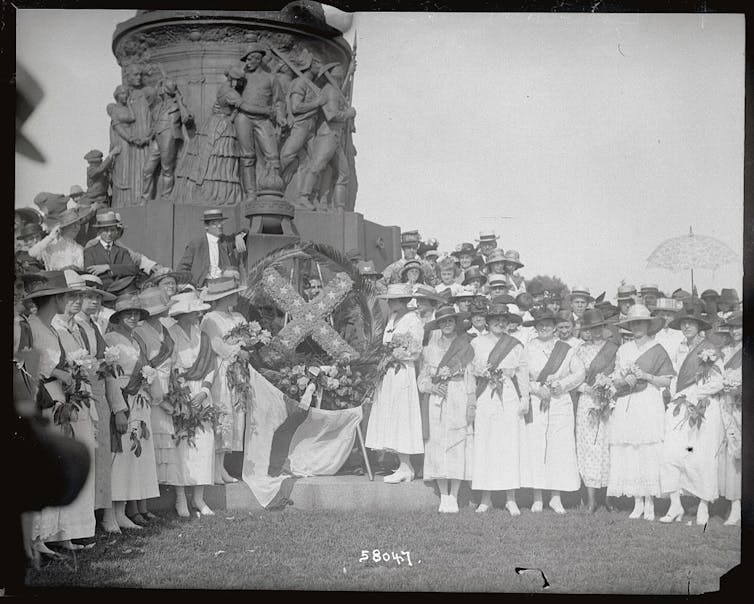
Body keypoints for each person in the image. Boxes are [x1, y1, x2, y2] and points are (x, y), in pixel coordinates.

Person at [25, 270, 98, 554]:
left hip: (58, 396)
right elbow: (29, 362)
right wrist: (58, 373)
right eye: (65, 296)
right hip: (42, 397)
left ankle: (58, 533)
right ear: (54, 298)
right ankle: (36, 538)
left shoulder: (52, 327)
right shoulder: (31, 326)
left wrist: (68, 376)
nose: (68, 300)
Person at [608, 305, 675, 521]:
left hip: (648, 400)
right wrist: (622, 380)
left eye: (641, 322)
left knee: (647, 448)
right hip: (627, 400)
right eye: (633, 323)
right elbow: (615, 378)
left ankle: (650, 502)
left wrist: (646, 376)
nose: (637, 326)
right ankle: (637, 501)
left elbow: (666, 380)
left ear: (648, 325)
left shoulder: (658, 349)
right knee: (630, 448)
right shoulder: (623, 350)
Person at [660, 305, 724, 525]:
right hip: (679, 408)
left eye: (691, 323)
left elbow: (717, 382)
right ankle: (675, 504)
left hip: (702, 408)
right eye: (683, 323)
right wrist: (671, 391)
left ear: (699, 326)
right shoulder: (679, 349)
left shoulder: (709, 349)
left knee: (699, 455)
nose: (687, 326)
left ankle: (703, 504)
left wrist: (693, 393)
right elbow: (674, 377)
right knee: (671, 453)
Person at [104, 293, 160, 530]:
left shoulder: (137, 341)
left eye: (136, 313)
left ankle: (130, 509)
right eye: (127, 313)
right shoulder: (109, 339)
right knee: (122, 455)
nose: (132, 317)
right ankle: (116, 514)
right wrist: (119, 407)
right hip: (124, 398)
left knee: (136, 455)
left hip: (140, 400)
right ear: (118, 316)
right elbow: (111, 376)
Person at [521, 310, 585, 514]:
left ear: (555, 326)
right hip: (537, 400)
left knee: (559, 449)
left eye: (548, 324)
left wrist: (562, 385)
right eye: (540, 324)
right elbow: (520, 375)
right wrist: (535, 388)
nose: (544, 327)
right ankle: (538, 497)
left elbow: (579, 373)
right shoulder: (527, 348)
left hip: (559, 401)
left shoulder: (566, 348)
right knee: (536, 447)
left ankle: (556, 497)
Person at [470, 303, 529, 515]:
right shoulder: (477, 343)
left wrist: (525, 399)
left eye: (503, 318)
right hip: (486, 395)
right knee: (486, 443)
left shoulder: (516, 345)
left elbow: (522, 373)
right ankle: (485, 498)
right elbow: (471, 371)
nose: (499, 322)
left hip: (509, 397)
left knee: (508, 444)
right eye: (495, 318)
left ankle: (510, 498)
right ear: (487, 321)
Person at [417, 306, 475, 513]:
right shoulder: (430, 349)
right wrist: (433, 387)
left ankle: (455, 494)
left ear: (456, 323)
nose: (447, 325)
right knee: (438, 442)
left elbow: (470, 378)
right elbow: (422, 379)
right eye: (443, 322)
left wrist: (471, 404)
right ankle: (444, 495)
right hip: (437, 400)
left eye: (450, 321)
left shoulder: (465, 347)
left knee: (458, 442)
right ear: (438, 325)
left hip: (458, 395)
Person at [365, 283, 425, 483]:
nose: (390, 303)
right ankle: (403, 466)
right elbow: (386, 343)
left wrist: (399, 354)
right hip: (389, 372)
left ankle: (406, 466)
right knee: (390, 414)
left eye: (393, 299)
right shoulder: (392, 318)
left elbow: (415, 350)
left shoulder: (413, 320)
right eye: (389, 299)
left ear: (403, 300)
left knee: (402, 415)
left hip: (402, 371)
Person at [166, 291, 218, 517]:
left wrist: (205, 391)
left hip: (201, 394)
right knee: (182, 447)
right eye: (193, 311)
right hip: (180, 394)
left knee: (204, 444)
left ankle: (198, 498)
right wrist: (182, 396)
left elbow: (211, 365)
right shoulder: (170, 335)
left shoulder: (203, 336)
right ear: (182, 314)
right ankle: (180, 499)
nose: (198, 314)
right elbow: (169, 367)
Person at [74, 276, 119, 533]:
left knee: (101, 453)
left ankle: (101, 515)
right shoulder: (70, 326)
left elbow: (104, 364)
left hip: (97, 393)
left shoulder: (94, 326)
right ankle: (82, 520)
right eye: (90, 297)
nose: (94, 302)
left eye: (98, 298)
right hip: (81, 392)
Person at [200, 269, 249, 484]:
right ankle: (215, 469)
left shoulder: (238, 316)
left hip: (238, 370)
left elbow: (247, 338)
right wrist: (237, 351)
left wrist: (247, 346)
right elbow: (216, 345)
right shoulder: (210, 318)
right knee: (223, 414)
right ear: (223, 297)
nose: (236, 297)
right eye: (233, 293)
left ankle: (222, 468)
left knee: (235, 414)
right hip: (221, 369)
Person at [174, 65, 245, 205]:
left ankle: (201, 190)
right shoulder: (231, 92)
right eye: (237, 79)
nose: (239, 82)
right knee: (219, 158)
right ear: (232, 79)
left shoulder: (225, 87)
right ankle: (215, 193)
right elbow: (243, 106)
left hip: (214, 122)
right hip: (223, 126)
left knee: (210, 157)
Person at [134, 288, 176, 521]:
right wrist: (161, 398)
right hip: (150, 394)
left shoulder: (163, 329)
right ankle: (141, 505)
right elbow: (143, 366)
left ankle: (148, 504)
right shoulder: (140, 331)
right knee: (146, 448)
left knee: (154, 452)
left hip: (166, 389)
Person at [572, 310, 618, 513]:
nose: (596, 332)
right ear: (586, 331)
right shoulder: (579, 351)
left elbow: (618, 373)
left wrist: (608, 388)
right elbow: (575, 378)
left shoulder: (614, 349)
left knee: (607, 446)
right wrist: (589, 389)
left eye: (599, 327)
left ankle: (607, 496)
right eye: (591, 329)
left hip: (607, 400)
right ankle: (591, 499)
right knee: (589, 446)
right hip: (587, 401)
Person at [235, 43, 284, 198]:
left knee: (273, 155)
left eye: (250, 59)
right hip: (244, 118)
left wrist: (281, 116)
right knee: (247, 156)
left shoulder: (271, 78)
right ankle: (250, 193)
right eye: (246, 60)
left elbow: (279, 101)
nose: (247, 63)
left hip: (263, 120)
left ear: (258, 59)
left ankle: (272, 192)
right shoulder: (243, 78)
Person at [141, 79, 193, 200]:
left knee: (167, 168)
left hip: (169, 136)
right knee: (147, 170)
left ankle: (165, 197)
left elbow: (187, 120)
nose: (158, 89)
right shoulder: (159, 106)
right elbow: (154, 120)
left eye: (161, 87)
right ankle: (145, 198)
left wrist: (180, 101)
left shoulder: (177, 105)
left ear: (164, 90)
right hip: (156, 138)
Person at [177, 208, 248, 288]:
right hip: (202, 286)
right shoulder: (196, 244)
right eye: (214, 223)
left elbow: (246, 232)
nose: (219, 226)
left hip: (225, 284)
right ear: (206, 226)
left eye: (220, 222)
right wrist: (188, 286)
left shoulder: (227, 241)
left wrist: (238, 236)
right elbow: (183, 267)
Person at [717, 311, 742, 526]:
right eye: (732, 327)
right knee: (732, 453)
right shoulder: (724, 352)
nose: (735, 331)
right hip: (727, 405)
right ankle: (734, 504)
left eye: (739, 327)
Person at [83, 211, 141, 295]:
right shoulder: (90, 251)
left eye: (112, 230)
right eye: (106, 231)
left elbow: (133, 269)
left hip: (123, 291)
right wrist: (121, 269)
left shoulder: (122, 251)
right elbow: (89, 275)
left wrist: (107, 267)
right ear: (99, 232)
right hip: (101, 293)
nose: (109, 234)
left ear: (117, 232)